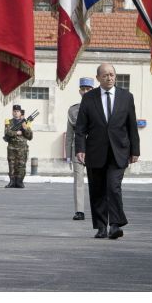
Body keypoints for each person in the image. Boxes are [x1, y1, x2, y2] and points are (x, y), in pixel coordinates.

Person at [74, 63, 140, 240]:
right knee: (98, 190)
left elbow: (132, 125)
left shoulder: (126, 97)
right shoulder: (89, 98)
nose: (109, 78)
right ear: (98, 78)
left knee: (113, 187)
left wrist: (135, 150)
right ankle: (101, 226)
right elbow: (80, 127)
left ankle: (116, 225)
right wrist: (80, 148)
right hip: (95, 151)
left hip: (119, 151)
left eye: (112, 75)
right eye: (105, 75)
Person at [66, 77, 95, 220]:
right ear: (80, 91)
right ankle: (79, 211)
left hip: (95, 148)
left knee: (96, 180)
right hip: (77, 148)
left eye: (88, 89)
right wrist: (67, 153)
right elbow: (70, 133)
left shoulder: (99, 107)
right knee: (78, 180)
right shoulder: (73, 110)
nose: (86, 91)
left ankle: (98, 209)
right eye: (83, 89)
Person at [4, 105, 33, 188]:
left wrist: (25, 128)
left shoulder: (25, 122)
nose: (16, 113)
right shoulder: (9, 122)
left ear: (21, 113)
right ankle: (12, 182)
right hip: (12, 147)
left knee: (21, 165)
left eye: (18, 111)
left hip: (22, 148)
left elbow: (30, 137)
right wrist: (16, 133)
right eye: (14, 111)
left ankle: (20, 182)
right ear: (12, 112)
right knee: (11, 165)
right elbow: (7, 132)